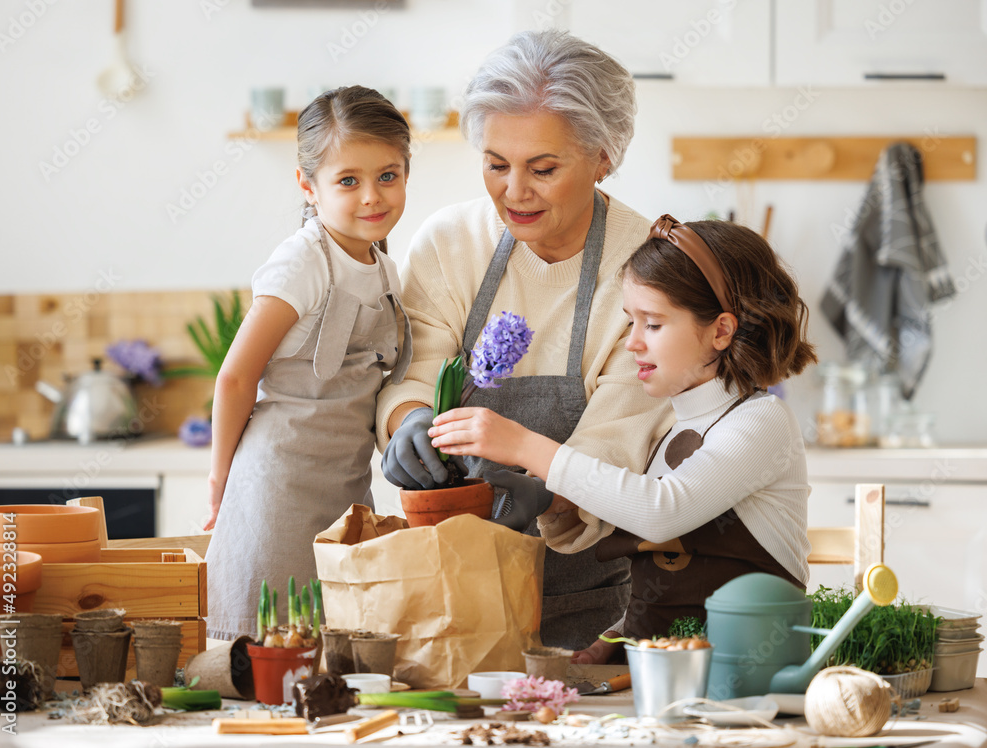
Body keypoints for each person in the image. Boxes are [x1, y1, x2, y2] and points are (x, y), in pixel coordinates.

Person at [376, 29, 674, 651]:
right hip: (449, 596)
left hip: (585, 608)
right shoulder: (450, 244)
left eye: (543, 168)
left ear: (604, 157)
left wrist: (549, 487)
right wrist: (408, 420)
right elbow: (411, 370)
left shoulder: (645, 269)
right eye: (495, 164)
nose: (514, 192)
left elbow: (621, 438)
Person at [428, 216, 817, 663]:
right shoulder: (674, 424)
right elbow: (668, 581)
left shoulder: (761, 422)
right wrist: (617, 638)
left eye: (652, 324)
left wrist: (523, 446)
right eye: (631, 321)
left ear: (721, 331)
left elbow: (660, 511)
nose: (631, 342)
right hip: (678, 674)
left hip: (752, 676)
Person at [205, 86, 413, 640]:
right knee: (264, 654)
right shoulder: (303, 260)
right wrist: (220, 477)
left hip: (344, 489)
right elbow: (236, 376)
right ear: (308, 185)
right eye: (348, 180)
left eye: (388, 176)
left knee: (331, 656)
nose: (372, 196)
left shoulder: (387, 272)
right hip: (277, 488)